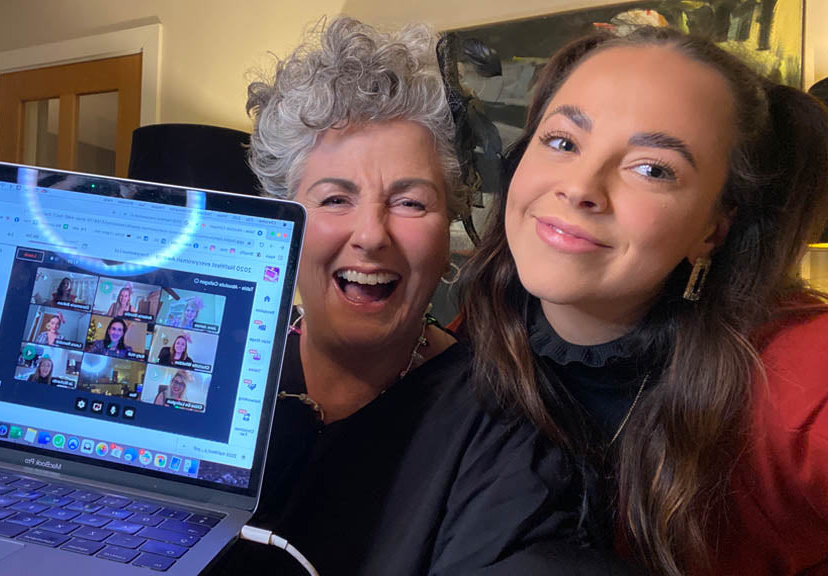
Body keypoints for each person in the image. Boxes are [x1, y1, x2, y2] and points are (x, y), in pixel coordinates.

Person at [212, 16, 623, 576]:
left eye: (410, 203)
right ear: (285, 221)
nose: (372, 234)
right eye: (335, 199)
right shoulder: (217, 363)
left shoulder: (504, 429)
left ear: (449, 224)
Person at [455, 26, 828, 575]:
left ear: (713, 229)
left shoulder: (800, 380)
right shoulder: (477, 332)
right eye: (562, 142)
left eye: (652, 169)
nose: (581, 185)